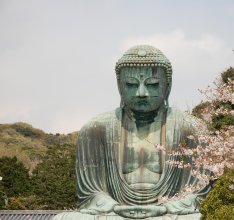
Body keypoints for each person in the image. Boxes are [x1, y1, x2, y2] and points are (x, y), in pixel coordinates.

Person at [55, 45, 210, 219]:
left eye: (152, 84)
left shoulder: (191, 128)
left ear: (168, 85)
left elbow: (198, 194)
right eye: (130, 84)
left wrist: (166, 208)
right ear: (119, 86)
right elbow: (90, 194)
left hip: (170, 214)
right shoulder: (95, 129)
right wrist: (115, 208)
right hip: (115, 214)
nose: (141, 93)